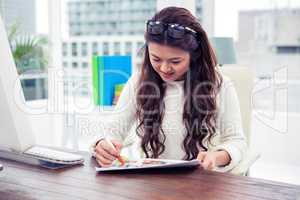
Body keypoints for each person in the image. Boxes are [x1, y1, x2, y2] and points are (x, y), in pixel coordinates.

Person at [91, 6, 247, 172]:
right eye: (156, 59)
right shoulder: (138, 82)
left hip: (202, 184)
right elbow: (113, 131)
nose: (165, 68)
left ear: (193, 55)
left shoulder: (220, 86)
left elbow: (237, 141)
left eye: (175, 61)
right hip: (151, 183)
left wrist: (215, 156)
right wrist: (102, 144)